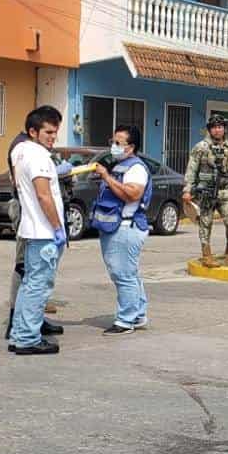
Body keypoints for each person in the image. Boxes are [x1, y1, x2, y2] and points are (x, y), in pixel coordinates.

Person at [7, 106, 69, 355]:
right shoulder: (39, 156)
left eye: (55, 132)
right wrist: (57, 227)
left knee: (29, 284)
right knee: (38, 286)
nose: (53, 137)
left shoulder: (19, 151)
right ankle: (28, 338)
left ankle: (19, 333)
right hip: (43, 232)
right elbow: (44, 195)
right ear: (33, 131)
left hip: (30, 229)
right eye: (48, 132)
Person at [90, 127, 152, 335]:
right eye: (113, 141)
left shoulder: (136, 168)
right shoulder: (120, 165)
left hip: (126, 228)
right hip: (115, 227)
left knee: (123, 274)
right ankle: (138, 314)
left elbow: (133, 194)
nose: (114, 147)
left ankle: (126, 320)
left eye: (119, 143)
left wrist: (107, 177)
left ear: (131, 147)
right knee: (130, 274)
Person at [182, 116, 228, 268]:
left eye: (220, 127)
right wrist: (187, 189)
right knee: (205, 223)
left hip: (227, 192)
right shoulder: (201, 147)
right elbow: (191, 169)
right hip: (207, 191)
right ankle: (206, 255)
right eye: (214, 127)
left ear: (224, 128)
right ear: (209, 129)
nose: (217, 130)